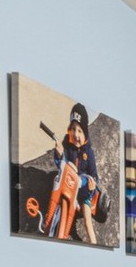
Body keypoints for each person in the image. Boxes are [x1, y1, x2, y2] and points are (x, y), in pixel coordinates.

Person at [40, 101, 100, 242]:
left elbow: (94, 176)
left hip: (83, 191)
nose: (75, 134)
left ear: (85, 132)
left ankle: (95, 244)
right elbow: (60, 163)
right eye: (73, 129)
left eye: (79, 131)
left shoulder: (89, 153)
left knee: (87, 223)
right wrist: (59, 154)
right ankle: (49, 221)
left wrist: (91, 185)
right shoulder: (67, 144)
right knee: (55, 184)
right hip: (68, 185)